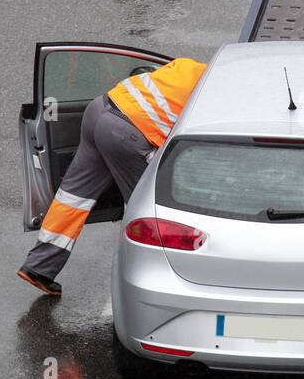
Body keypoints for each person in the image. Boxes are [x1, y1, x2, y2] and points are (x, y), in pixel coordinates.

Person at [18, 56, 207, 297]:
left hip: (98, 110)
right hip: (126, 133)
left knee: (73, 198)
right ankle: (158, 279)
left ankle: (38, 267)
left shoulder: (186, 65)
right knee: (150, 209)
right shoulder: (211, 93)